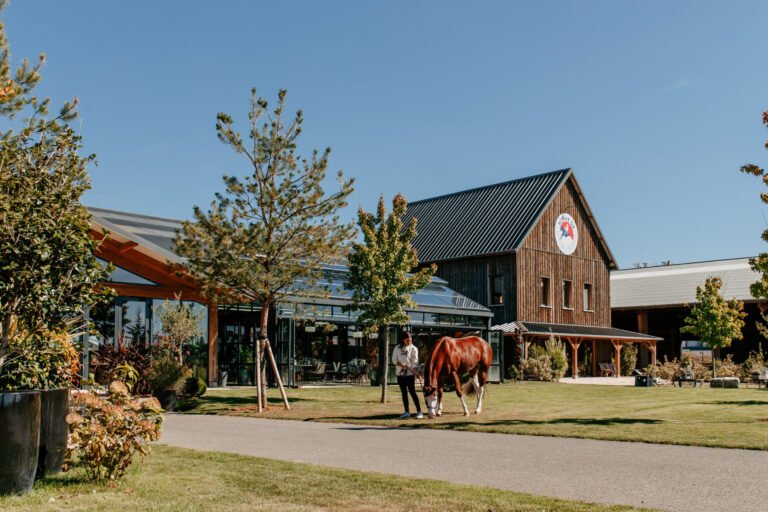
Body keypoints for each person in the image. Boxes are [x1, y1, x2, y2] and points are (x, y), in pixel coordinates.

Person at [392, 332, 423, 419]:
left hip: (410, 374)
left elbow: (415, 363)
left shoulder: (414, 349)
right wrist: (400, 364)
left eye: (410, 340)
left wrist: (416, 373)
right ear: (403, 340)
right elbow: (394, 360)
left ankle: (419, 411)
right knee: (404, 393)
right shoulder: (397, 348)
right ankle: (407, 412)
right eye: (407, 340)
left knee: (412, 392)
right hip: (400, 374)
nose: (409, 342)